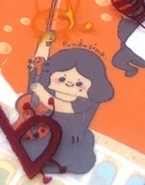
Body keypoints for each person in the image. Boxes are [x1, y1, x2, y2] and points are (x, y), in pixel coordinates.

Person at [22, 47, 115, 175]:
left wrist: (42, 93)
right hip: (39, 133)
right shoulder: (45, 86)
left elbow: (63, 107)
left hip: (66, 139)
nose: (69, 84)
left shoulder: (87, 102)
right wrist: (45, 45)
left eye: (79, 84)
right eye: (62, 79)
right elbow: (38, 66)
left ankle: (52, 165)